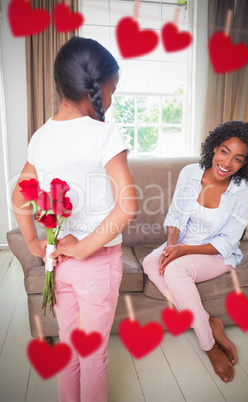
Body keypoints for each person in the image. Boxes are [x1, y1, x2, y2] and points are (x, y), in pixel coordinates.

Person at [12, 37, 137, 402]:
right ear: (95, 89)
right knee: (92, 352)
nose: (111, 101)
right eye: (111, 91)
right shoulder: (105, 134)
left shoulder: (41, 136)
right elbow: (127, 206)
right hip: (92, 262)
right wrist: (83, 249)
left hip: (57, 258)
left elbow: (20, 196)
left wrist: (36, 242)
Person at [143, 121, 248, 383]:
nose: (227, 162)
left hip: (216, 253)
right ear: (213, 148)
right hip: (183, 242)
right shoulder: (189, 173)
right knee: (150, 262)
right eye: (224, 151)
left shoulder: (244, 192)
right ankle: (209, 321)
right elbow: (175, 215)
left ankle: (209, 346)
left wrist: (183, 251)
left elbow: (228, 241)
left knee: (175, 271)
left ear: (245, 164)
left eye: (238, 158)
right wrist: (171, 246)